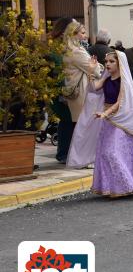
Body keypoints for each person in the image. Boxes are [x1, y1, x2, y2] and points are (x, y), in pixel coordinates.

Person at [67, 51, 133, 197]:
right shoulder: (107, 79)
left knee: (112, 153)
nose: (107, 64)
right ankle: (112, 188)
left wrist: (106, 113)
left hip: (120, 122)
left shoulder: (123, 81)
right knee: (103, 154)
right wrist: (90, 70)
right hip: (107, 122)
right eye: (106, 61)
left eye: (111, 61)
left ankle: (129, 186)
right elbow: (93, 88)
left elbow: (121, 101)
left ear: (119, 63)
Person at [61, 21, 103, 128]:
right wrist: (97, 65)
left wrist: (94, 65)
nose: (86, 36)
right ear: (74, 34)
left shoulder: (68, 49)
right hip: (82, 94)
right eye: (83, 33)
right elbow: (96, 70)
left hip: (75, 92)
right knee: (84, 130)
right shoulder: (77, 51)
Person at [48, 17, 76, 164]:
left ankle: (66, 153)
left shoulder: (66, 45)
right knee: (67, 120)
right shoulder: (55, 48)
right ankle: (63, 153)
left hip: (66, 90)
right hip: (61, 92)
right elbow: (57, 70)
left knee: (70, 121)